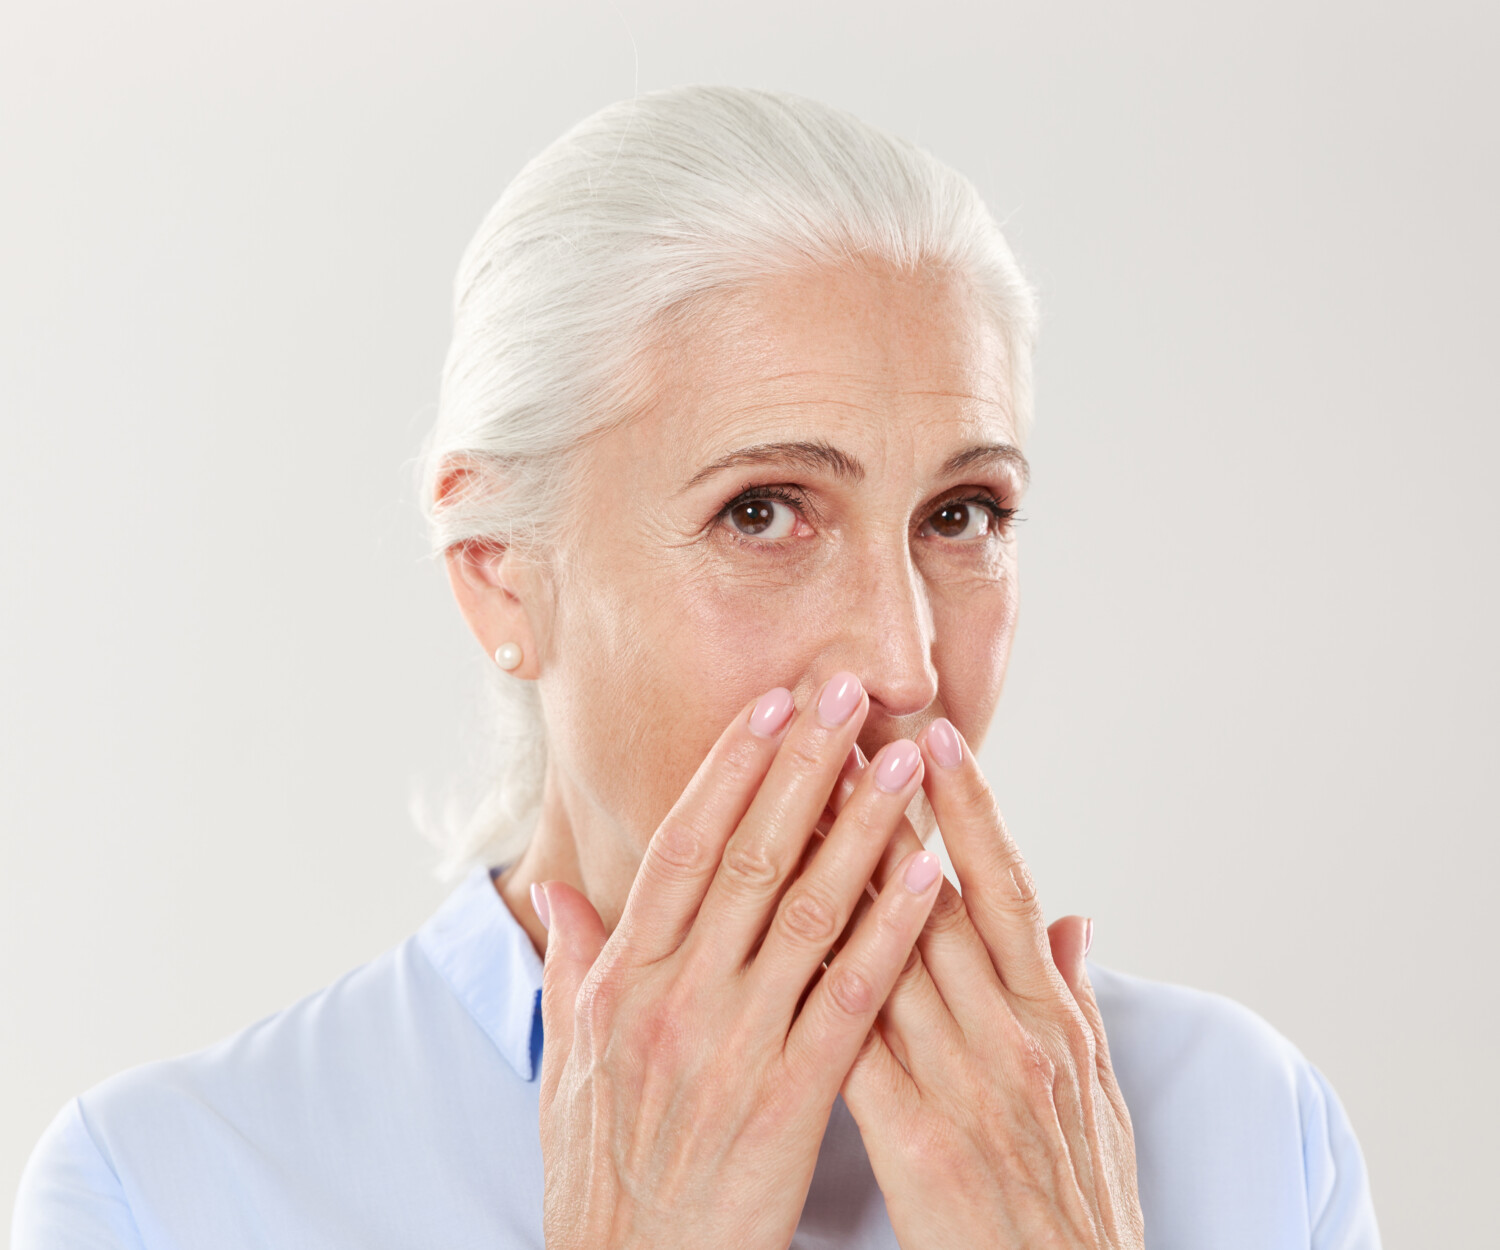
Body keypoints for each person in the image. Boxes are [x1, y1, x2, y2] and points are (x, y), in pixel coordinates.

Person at [12, 85, 1381, 1249]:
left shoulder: (1250, 1128)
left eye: (962, 514)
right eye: (764, 510)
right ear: (499, 568)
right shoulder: (170, 1191)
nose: (904, 666)